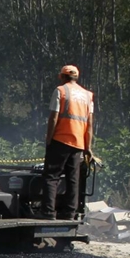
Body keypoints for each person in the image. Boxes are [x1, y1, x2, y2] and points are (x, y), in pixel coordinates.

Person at [42, 64, 94, 219]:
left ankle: (48, 212)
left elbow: (54, 117)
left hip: (60, 139)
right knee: (73, 179)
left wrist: (49, 138)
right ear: (76, 77)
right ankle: (70, 213)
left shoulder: (61, 91)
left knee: (51, 177)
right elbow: (90, 124)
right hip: (78, 143)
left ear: (62, 77)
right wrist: (88, 147)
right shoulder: (87, 95)